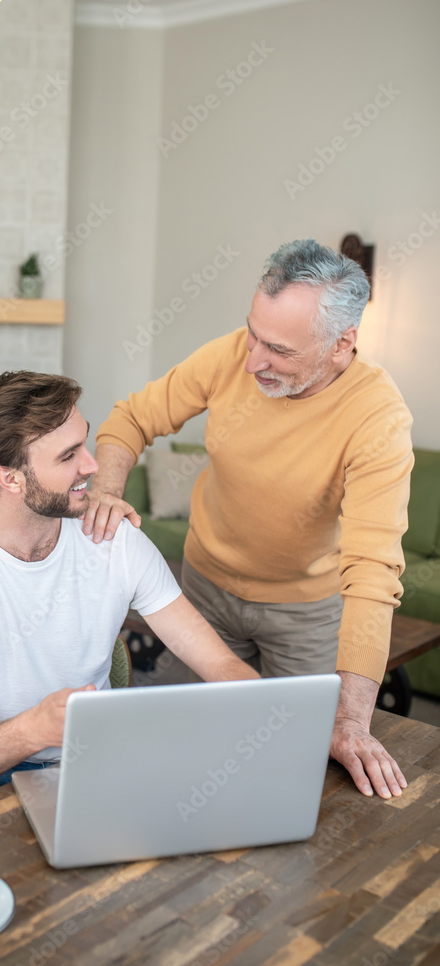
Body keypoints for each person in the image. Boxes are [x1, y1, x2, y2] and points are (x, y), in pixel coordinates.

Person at [83, 239, 413, 802]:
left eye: (279, 350)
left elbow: (373, 573)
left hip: (305, 615)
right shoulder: (231, 356)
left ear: (342, 345)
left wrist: (354, 719)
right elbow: (132, 418)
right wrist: (106, 492)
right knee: (194, 753)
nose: (255, 359)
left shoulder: (377, 418)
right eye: (253, 334)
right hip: (204, 591)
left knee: (294, 768)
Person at [0, 371, 258, 835]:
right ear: (9, 477)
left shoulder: (114, 540)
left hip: (97, 759)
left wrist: (273, 716)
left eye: (85, 443)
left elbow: (219, 662)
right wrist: (31, 730)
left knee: (205, 824)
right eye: (69, 455)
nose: (93, 465)